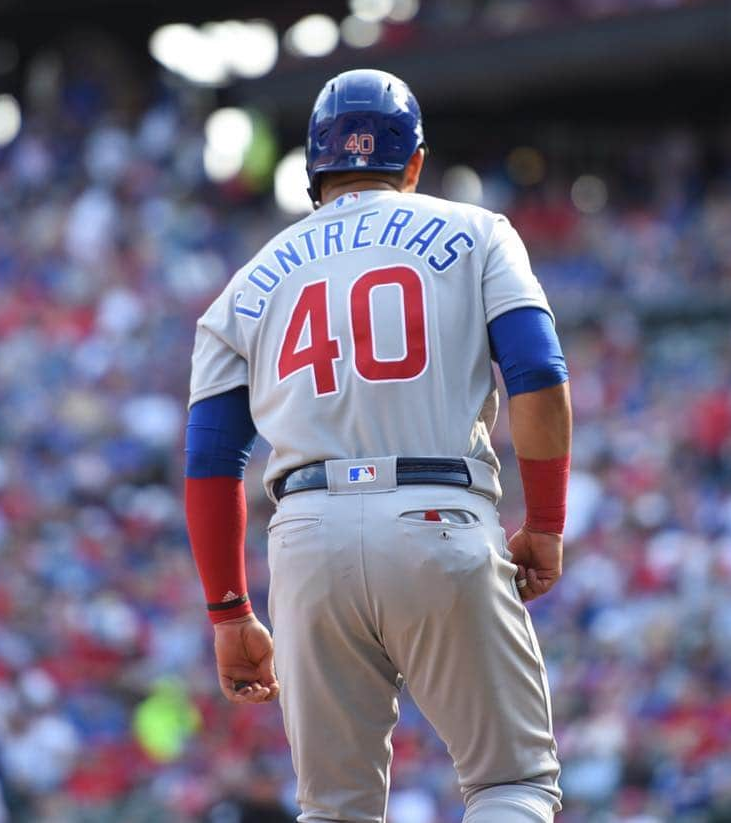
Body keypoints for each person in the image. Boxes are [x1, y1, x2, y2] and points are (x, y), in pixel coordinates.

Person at [185, 69, 572, 822]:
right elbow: (538, 373)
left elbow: (209, 463)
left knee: (335, 810)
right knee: (511, 784)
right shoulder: (477, 231)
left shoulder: (244, 284)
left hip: (306, 540)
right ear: (415, 163)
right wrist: (548, 524)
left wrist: (229, 612)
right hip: (437, 513)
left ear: (314, 171)